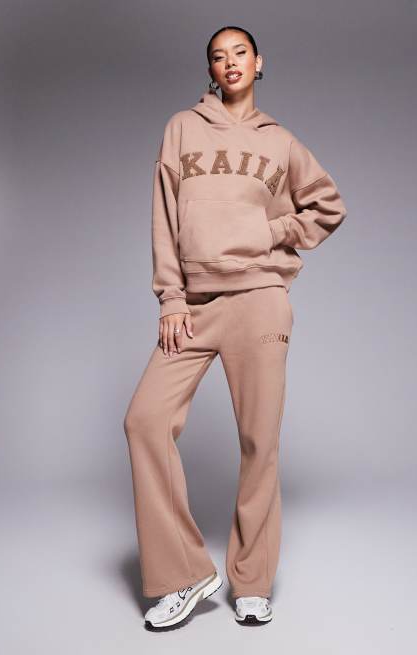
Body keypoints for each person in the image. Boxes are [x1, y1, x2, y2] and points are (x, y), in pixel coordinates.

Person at [123, 25, 347, 630]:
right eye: (218, 56)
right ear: (211, 70)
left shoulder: (281, 142)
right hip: (193, 306)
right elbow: (163, 217)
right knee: (144, 420)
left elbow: (327, 206)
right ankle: (184, 574)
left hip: (260, 300)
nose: (230, 63)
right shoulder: (181, 128)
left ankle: (252, 582)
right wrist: (170, 298)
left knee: (259, 442)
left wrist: (269, 231)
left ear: (258, 62)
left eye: (240, 53)